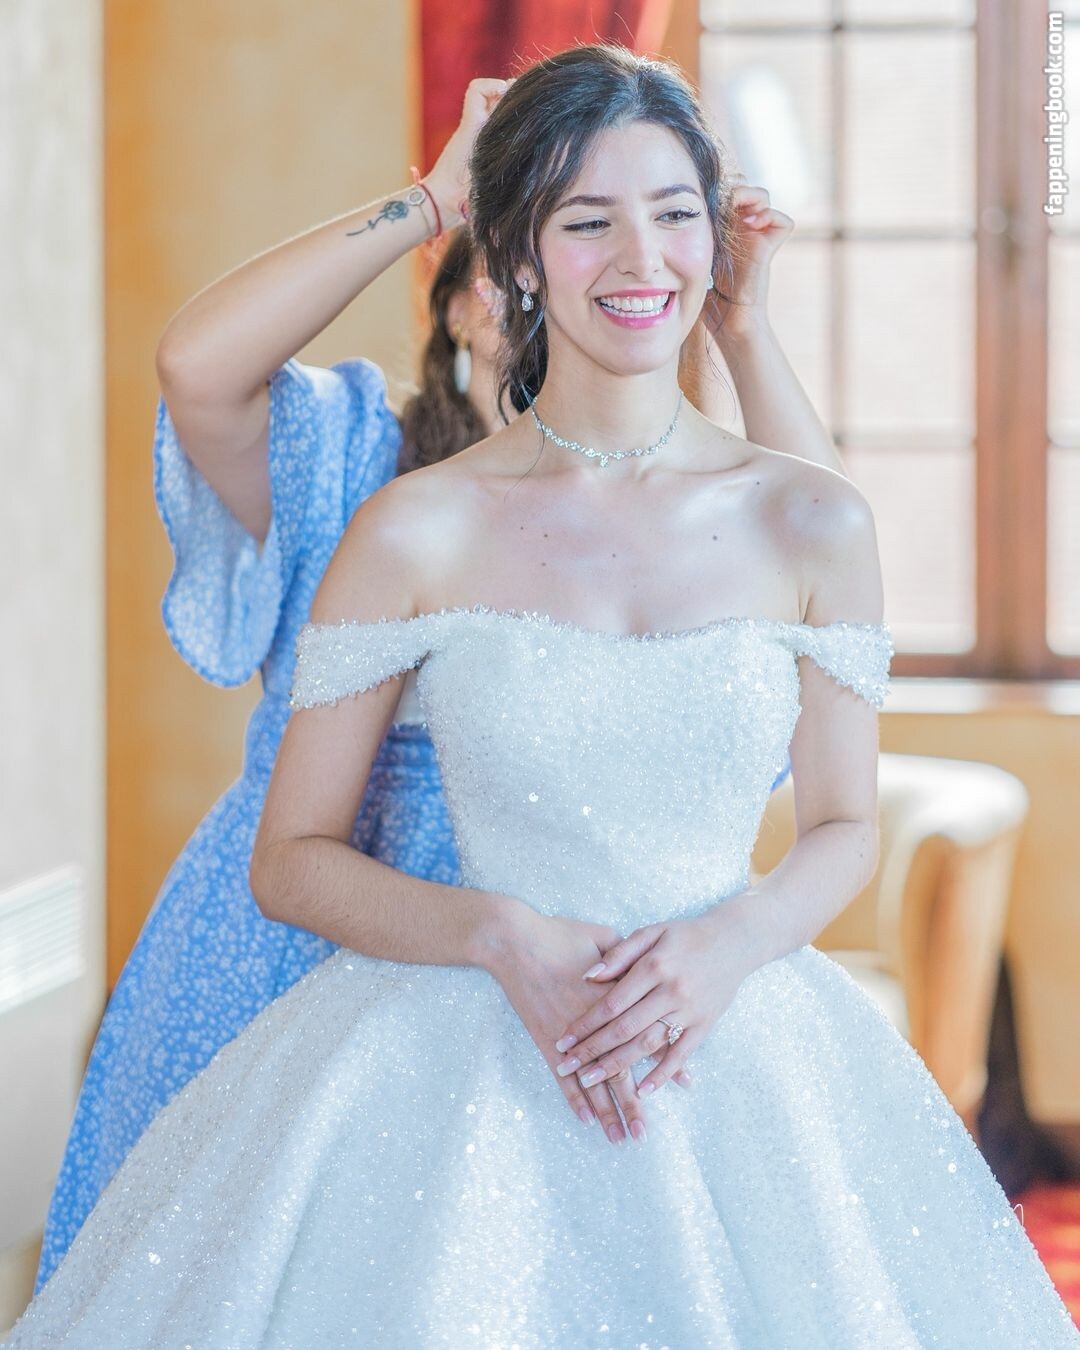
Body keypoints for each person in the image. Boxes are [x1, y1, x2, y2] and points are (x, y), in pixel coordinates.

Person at [30, 44, 1065, 1346]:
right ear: (512, 258)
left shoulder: (808, 516)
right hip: (430, 1030)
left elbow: (843, 820)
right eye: (587, 221)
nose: (640, 257)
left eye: (674, 213)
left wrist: (728, 944)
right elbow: (289, 856)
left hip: (740, 1042)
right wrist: (498, 934)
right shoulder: (402, 513)